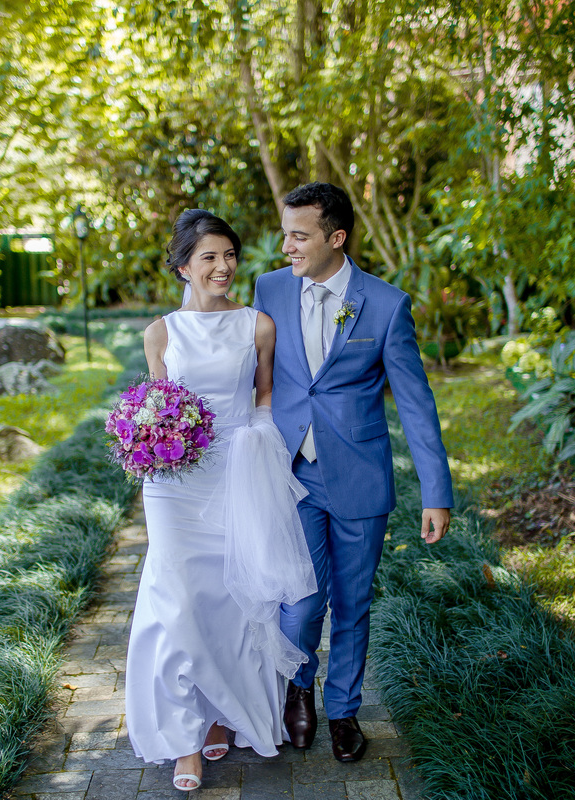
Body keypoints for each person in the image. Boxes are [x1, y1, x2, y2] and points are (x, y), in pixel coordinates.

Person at [253, 182, 454, 763]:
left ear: (335, 238)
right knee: (300, 600)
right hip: (290, 471)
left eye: (299, 235)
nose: (286, 245)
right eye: (285, 232)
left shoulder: (386, 304)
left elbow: (415, 402)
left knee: (352, 601)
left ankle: (342, 709)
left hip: (360, 476)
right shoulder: (267, 289)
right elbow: (252, 374)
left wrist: (435, 494)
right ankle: (299, 690)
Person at [125, 209, 317, 792]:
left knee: (234, 598)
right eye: (209, 257)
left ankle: (220, 711)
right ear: (183, 265)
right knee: (178, 598)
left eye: (229, 255)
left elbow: (264, 396)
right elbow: (157, 404)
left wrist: (257, 452)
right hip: (174, 483)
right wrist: (147, 437)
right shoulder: (160, 333)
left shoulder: (257, 325)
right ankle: (184, 738)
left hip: (236, 471)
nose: (223, 267)